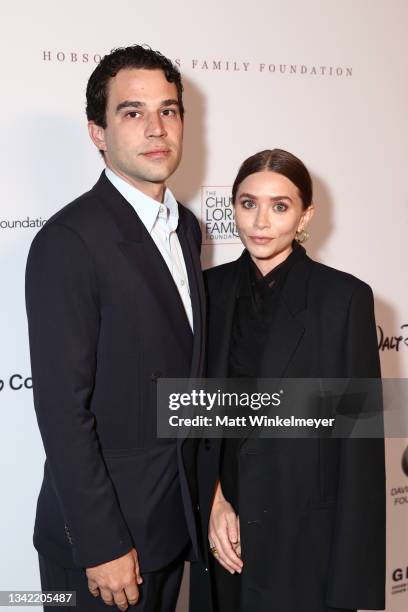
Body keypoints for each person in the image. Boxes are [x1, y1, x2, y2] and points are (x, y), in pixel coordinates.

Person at [25, 44, 205, 611]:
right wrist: (102, 543)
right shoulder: (69, 241)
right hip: (102, 546)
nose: (156, 128)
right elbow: (61, 409)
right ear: (97, 132)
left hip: (171, 525)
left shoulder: (189, 229)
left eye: (169, 110)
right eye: (132, 112)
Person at [191, 149, 385, 612]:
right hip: (227, 532)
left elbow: (359, 446)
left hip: (306, 540)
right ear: (232, 206)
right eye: (247, 203)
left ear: (305, 215)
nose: (261, 221)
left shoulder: (345, 299)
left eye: (280, 206)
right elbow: (192, 417)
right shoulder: (206, 293)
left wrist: (350, 583)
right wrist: (212, 500)